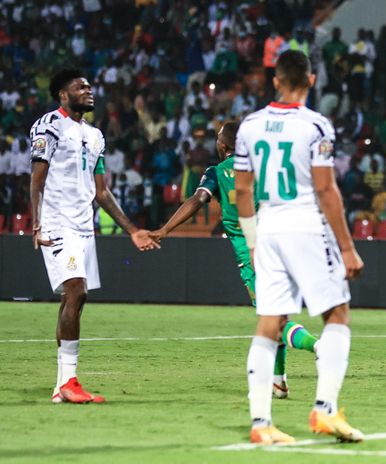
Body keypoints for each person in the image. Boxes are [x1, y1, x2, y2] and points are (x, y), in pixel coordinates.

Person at [234, 50, 365, 445]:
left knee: (269, 323)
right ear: (310, 81)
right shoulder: (315, 125)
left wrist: (253, 242)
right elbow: (325, 188)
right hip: (307, 225)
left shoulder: (249, 126)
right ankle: (325, 410)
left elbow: (242, 190)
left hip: (268, 226)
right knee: (337, 314)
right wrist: (346, 247)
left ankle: (261, 423)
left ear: (275, 80)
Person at [148, 121, 319, 399]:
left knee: (271, 318)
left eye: (217, 137)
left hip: (252, 253)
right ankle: (279, 381)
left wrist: (165, 229)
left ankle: (317, 347)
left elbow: (197, 200)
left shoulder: (217, 172)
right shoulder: (264, 166)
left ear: (224, 144)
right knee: (274, 314)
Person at [29, 69, 159, 404]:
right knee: (77, 291)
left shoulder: (96, 135)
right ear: (62, 94)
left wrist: (131, 229)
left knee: (71, 298)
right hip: (58, 222)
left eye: (89, 86)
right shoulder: (49, 126)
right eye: (80, 86)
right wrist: (36, 223)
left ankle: (62, 385)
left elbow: (101, 192)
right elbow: (37, 179)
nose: (89, 90)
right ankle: (69, 381)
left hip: (84, 227)